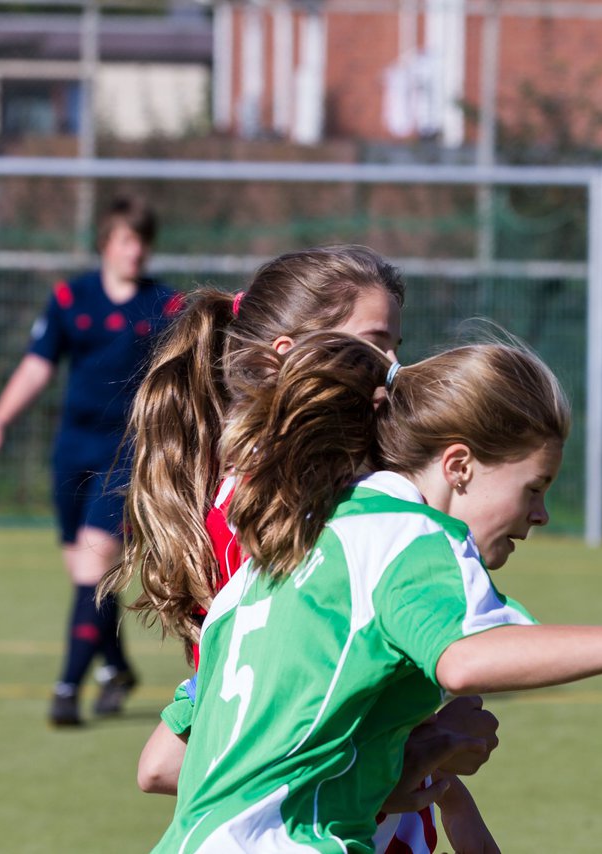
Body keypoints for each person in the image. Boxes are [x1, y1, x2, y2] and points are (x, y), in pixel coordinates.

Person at [147, 330, 602, 851]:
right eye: (534, 488)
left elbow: (178, 762)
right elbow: (469, 658)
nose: (541, 516)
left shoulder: (289, 550)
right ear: (460, 466)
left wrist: (418, 765)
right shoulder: (408, 537)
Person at [103, 246, 498, 853]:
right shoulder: (279, 519)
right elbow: (220, 761)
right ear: (290, 355)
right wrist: (392, 771)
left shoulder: (302, 495)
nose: (395, 368)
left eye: (397, 344)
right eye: (375, 343)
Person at [0, 195, 181, 727]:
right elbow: (38, 367)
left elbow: (189, 374)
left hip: (129, 456)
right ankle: (116, 669)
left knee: (93, 567)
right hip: (73, 453)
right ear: (106, 244)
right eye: (127, 241)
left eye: (144, 242)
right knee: (88, 576)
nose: (137, 252)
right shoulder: (71, 298)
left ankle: (67, 690)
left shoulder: (166, 306)